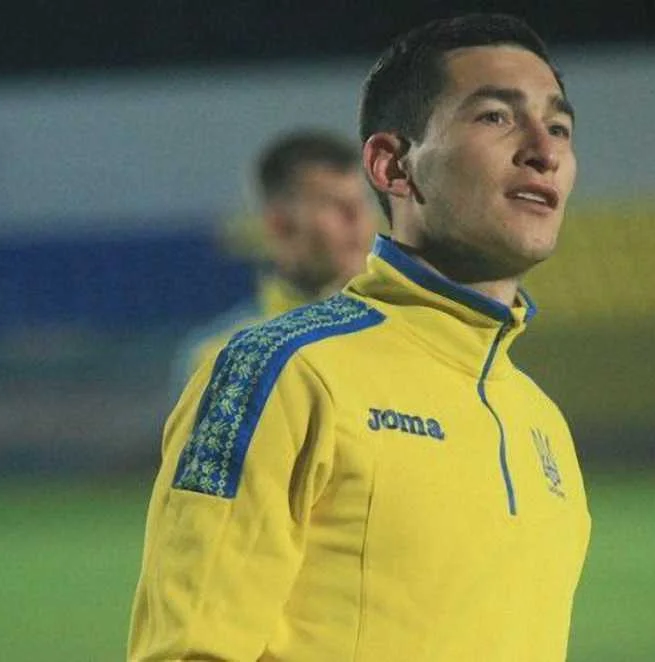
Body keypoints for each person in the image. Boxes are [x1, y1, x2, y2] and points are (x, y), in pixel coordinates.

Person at [129, 13, 589, 662]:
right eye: (495, 117)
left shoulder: (542, 422)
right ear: (392, 165)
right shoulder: (281, 372)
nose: (544, 150)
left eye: (560, 127)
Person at [171, 129, 375, 392]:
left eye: (362, 201)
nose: (357, 217)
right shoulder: (221, 358)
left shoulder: (403, 333)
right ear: (280, 225)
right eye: (332, 203)